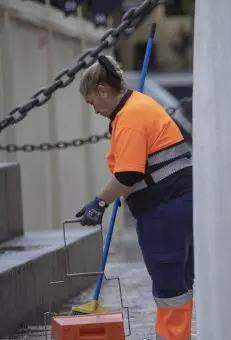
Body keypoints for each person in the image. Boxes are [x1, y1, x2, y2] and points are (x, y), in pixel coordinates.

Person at [75, 55, 194, 340]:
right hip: (180, 205)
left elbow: (128, 173)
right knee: (179, 283)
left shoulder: (129, 116)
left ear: (104, 90)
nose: (95, 110)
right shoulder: (139, 105)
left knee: (170, 288)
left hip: (164, 211)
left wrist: (99, 202)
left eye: (92, 102)